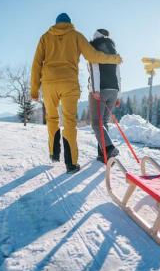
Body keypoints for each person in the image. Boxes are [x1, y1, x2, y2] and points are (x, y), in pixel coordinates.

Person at [31, 13, 122, 174]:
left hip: (49, 84)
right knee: (69, 122)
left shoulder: (45, 37)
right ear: (69, 23)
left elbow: (36, 64)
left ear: (56, 23)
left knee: (52, 118)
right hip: (69, 83)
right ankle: (71, 164)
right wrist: (114, 59)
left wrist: (34, 89)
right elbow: (93, 56)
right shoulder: (76, 36)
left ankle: (54, 153)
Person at [87, 29, 121, 163]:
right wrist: (118, 94)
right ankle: (103, 155)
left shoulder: (94, 48)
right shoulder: (113, 51)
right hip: (113, 90)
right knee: (104, 122)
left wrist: (95, 89)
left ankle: (109, 148)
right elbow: (118, 74)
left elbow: (94, 69)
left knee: (96, 122)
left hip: (100, 89)